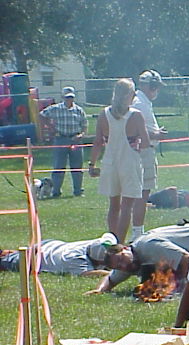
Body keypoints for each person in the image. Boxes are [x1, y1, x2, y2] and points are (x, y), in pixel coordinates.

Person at [89, 78, 151, 244]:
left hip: (110, 163)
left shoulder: (104, 114)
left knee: (114, 205)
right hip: (129, 163)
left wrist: (92, 164)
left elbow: (97, 142)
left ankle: (112, 242)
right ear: (129, 95)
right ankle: (120, 244)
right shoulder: (136, 116)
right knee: (126, 207)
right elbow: (145, 142)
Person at [85, 223, 189, 294]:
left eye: (121, 260)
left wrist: (183, 287)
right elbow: (110, 279)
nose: (123, 266)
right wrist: (100, 290)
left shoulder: (149, 246)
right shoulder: (128, 263)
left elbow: (187, 259)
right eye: (119, 266)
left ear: (125, 248)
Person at [131, 70, 168, 241]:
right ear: (148, 86)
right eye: (155, 87)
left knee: (140, 194)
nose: (157, 91)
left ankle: (137, 230)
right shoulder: (139, 103)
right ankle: (138, 233)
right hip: (143, 152)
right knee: (142, 195)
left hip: (143, 151)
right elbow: (135, 129)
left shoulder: (142, 102)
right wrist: (155, 135)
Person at [39, 86, 88, 197]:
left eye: (71, 97)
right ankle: (56, 191)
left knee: (77, 167)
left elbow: (84, 126)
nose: (69, 100)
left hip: (75, 140)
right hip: (60, 139)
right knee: (58, 166)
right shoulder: (55, 108)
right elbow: (41, 115)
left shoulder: (79, 110)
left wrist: (80, 135)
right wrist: (50, 127)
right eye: (67, 97)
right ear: (62, 97)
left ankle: (78, 191)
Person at [0, 232, 115, 275]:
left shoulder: (94, 244)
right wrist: (113, 273)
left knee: (14, 255)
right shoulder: (76, 259)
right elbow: (87, 274)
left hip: (50, 245)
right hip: (37, 258)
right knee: (5, 263)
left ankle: (7, 253)